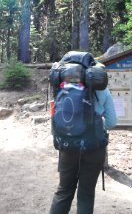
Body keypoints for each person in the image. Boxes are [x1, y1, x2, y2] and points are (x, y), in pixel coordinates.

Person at [49, 86, 117, 214]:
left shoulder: (65, 86)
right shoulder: (102, 90)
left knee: (64, 191)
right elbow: (112, 122)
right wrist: (96, 124)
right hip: (94, 147)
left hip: (68, 146)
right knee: (86, 193)